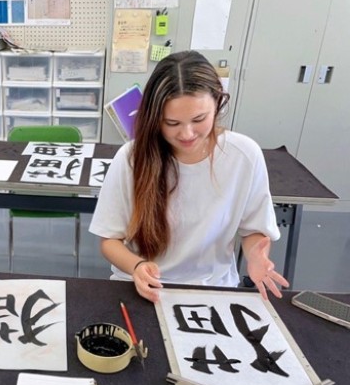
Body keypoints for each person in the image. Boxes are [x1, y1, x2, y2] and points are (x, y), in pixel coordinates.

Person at [89, 50, 289, 302]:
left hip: (212, 290)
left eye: (199, 119)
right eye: (171, 123)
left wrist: (257, 258)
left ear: (218, 102)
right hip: (141, 289)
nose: (187, 134)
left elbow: (253, 231)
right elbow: (109, 240)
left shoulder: (244, 156)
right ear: (154, 117)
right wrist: (137, 266)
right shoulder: (132, 158)